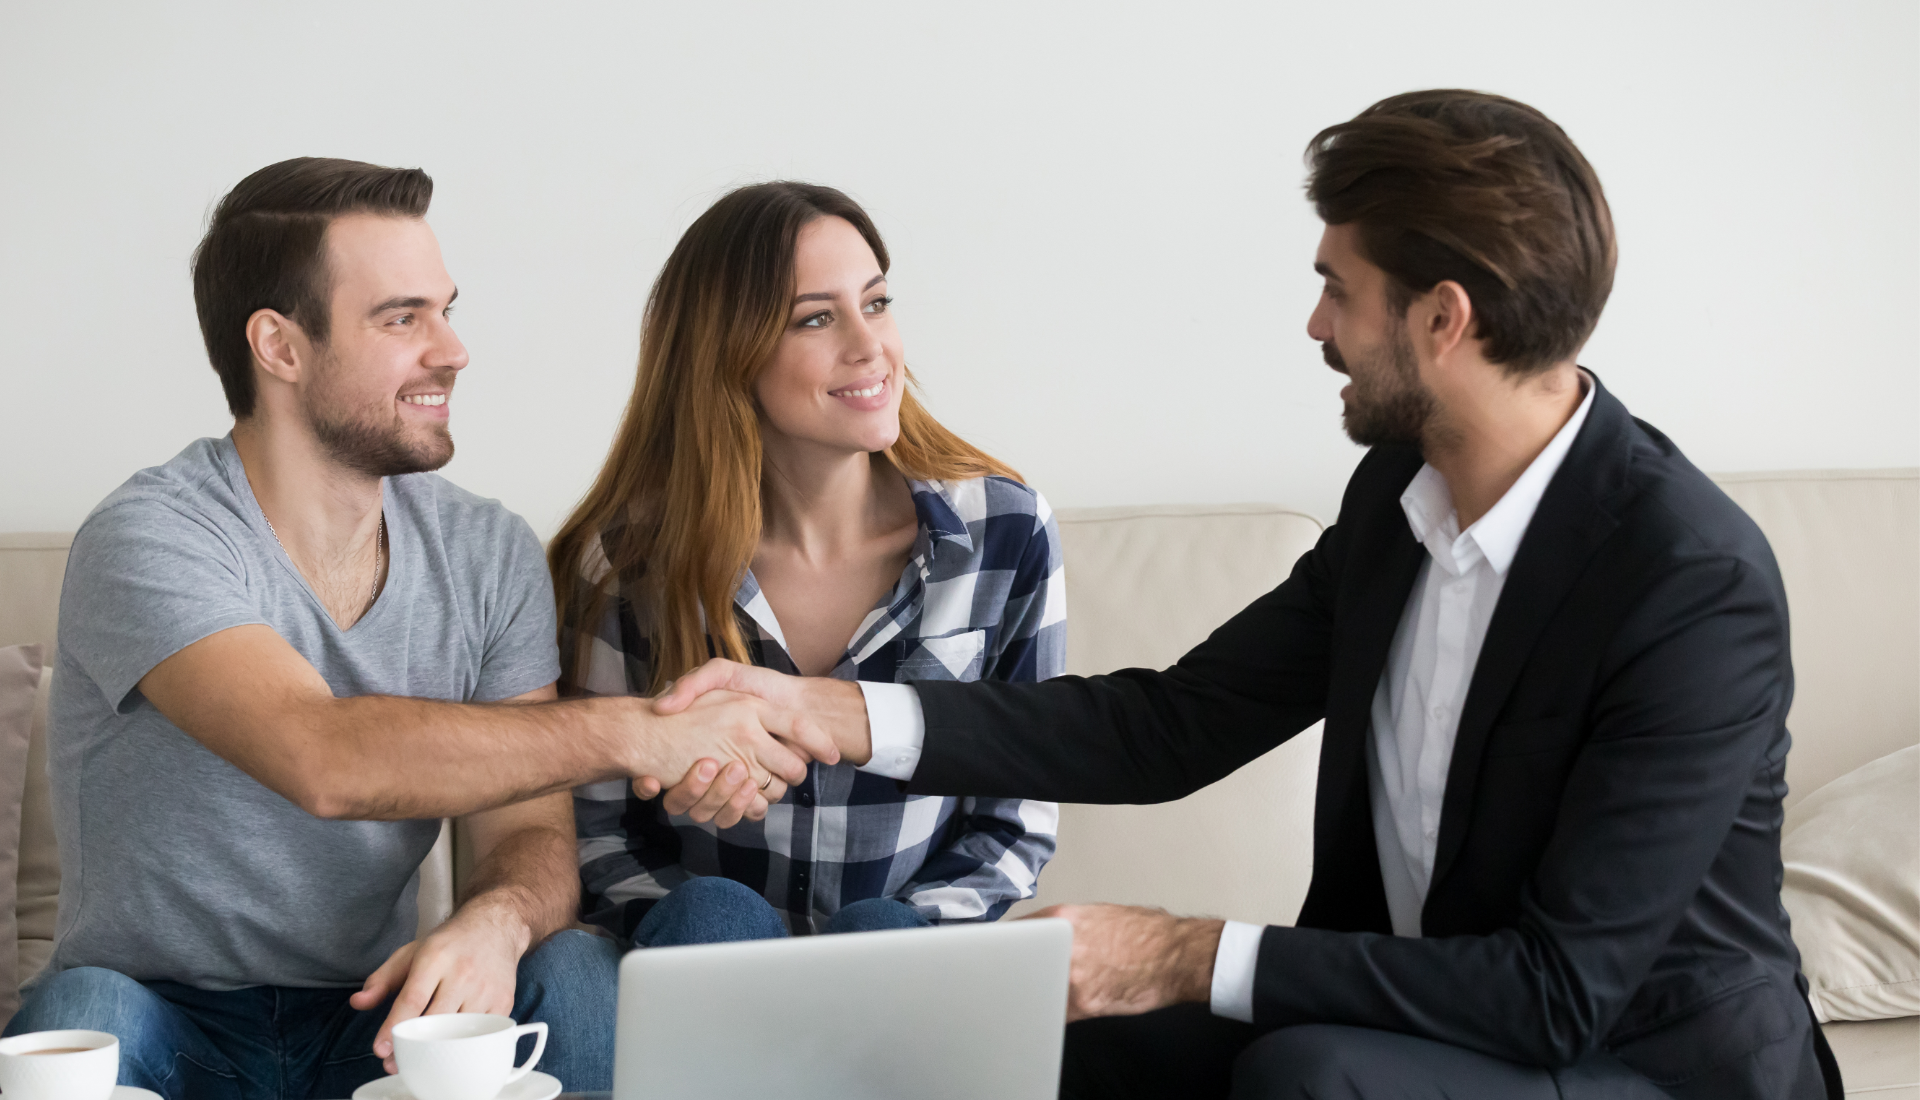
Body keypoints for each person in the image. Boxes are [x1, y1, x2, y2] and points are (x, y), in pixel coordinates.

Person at [649, 93, 1842, 1099]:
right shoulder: (1398, 500)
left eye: (1339, 287)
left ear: (1443, 317)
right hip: (1425, 1010)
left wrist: (1178, 950)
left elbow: (1555, 989)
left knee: (1308, 1074)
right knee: (1067, 1042)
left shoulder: (1690, 584)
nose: (1314, 322)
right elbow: (1169, 723)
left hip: (1645, 1059)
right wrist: (838, 712)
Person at [4, 158, 839, 1100]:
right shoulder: (151, 535)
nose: (452, 350)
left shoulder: (487, 552)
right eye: (403, 319)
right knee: (86, 1018)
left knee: (570, 968)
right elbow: (322, 757)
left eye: (445, 310)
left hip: (375, 1019)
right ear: (279, 346)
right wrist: (645, 730)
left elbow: (526, 827)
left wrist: (501, 918)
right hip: (161, 1015)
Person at [550, 182, 1065, 947]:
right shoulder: (626, 564)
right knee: (709, 915)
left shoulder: (1005, 533)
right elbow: (598, 833)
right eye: (817, 318)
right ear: (729, 354)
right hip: (704, 975)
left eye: (877, 302)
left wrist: (903, 937)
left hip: (899, 973)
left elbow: (1015, 820)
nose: (870, 346)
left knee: (883, 935)